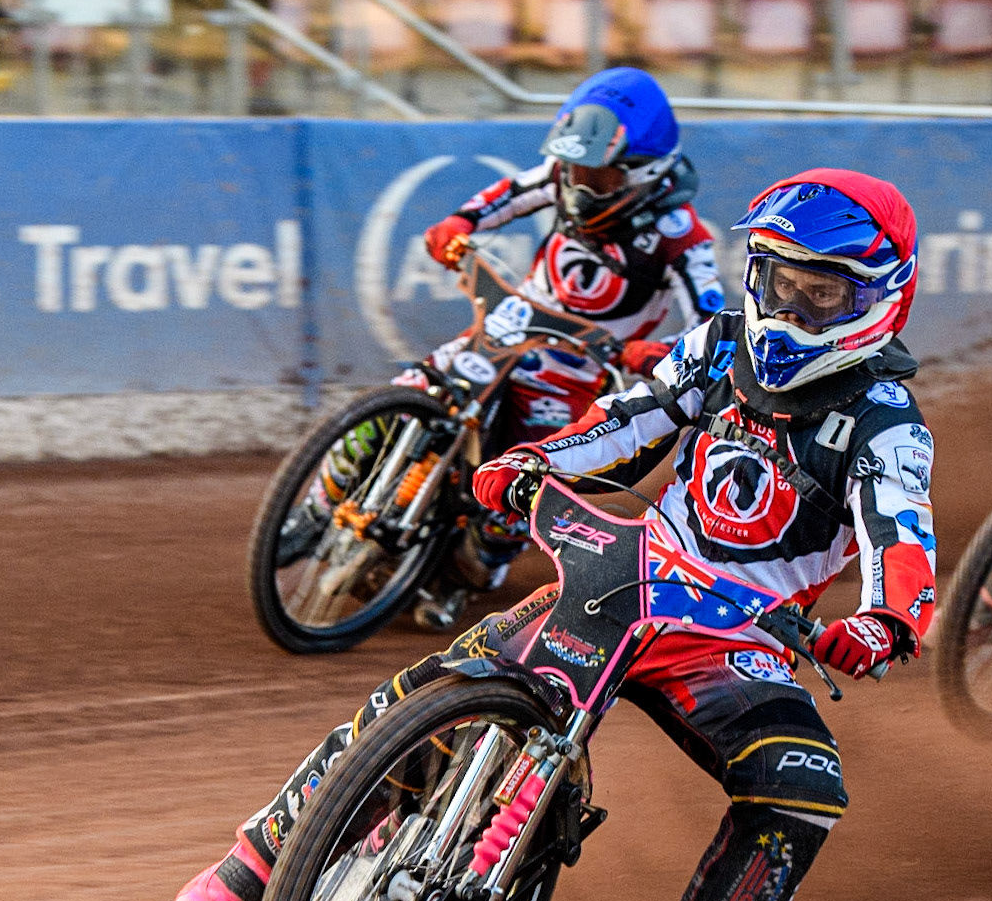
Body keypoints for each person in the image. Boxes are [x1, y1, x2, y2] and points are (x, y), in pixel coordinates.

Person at [170, 169, 936, 901]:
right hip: (630, 572)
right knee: (433, 687)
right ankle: (261, 858)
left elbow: (902, 535)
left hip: (741, 634)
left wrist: (885, 620)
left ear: (880, 298)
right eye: (777, 280)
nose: (791, 305)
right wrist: (535, 459)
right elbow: (628, 423)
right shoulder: (717, 347)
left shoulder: (887, 425)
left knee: (802, 786)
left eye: (822, 292)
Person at [279, 65, 727, 631]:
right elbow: (506, 195)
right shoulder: (562, 175)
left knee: (520, 482)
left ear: (645, 173)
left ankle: (471, 574)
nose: (581, 185)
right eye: (574, 168)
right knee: (401, 397)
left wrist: (655, 354)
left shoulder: (683, 237)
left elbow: (713, 329)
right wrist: (459, 222)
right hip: (511, 326)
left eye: (600, 176)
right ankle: (316, 510)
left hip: (577, 370)